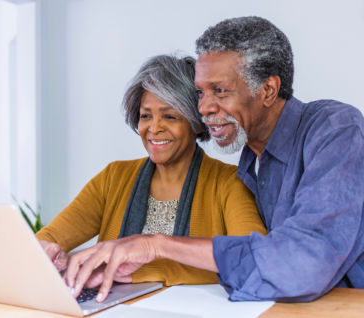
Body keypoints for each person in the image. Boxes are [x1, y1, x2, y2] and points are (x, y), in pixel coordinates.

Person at [64, 17, 364, 303]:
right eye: (200, 93)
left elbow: (301, 263)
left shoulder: (335, 129)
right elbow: (259, 264)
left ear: (268, 90)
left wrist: (156, 245)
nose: (204, 107)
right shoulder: (251, 161)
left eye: (219, 90)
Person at [36, 54, 266, 289]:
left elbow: (254, 260)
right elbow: (48, 238)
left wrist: (134, 270)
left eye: (169, 116)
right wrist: (50, 253)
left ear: (196, 122)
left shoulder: (230, 183)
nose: (154, 128)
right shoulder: (113, 178)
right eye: (146, 116)